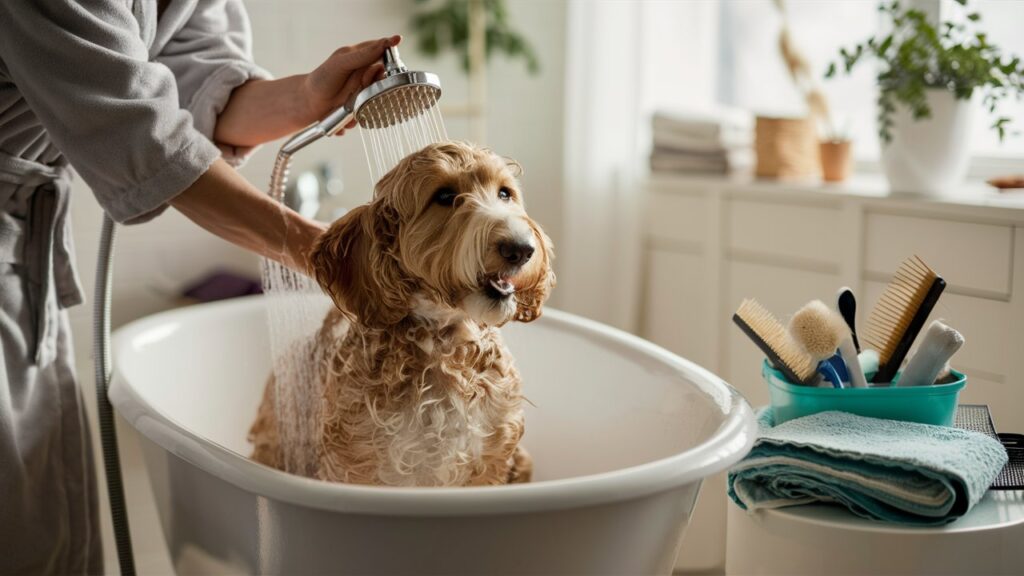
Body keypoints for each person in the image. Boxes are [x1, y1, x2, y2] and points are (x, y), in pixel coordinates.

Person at [0, 1, 396, 572]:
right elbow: (146, 136)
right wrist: (326, 255)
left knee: (39, 525)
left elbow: (194, 78)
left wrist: (308, 97)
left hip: (23, 244)